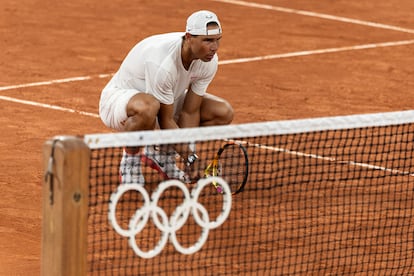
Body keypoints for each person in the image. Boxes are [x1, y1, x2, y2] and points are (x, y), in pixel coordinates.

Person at [99, 10, 233, 185]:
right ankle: (130, 162)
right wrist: (191, 158)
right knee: (149, 107)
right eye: (208, 40)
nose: (214, 47)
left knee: (222, 112)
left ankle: (162, 155)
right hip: (119, 103)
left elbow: (190, 112)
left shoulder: (208, 61)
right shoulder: (163, 62)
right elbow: (164, 119)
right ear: (189, 37)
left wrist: (188, 156)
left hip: (163, 101)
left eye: (217, 39)